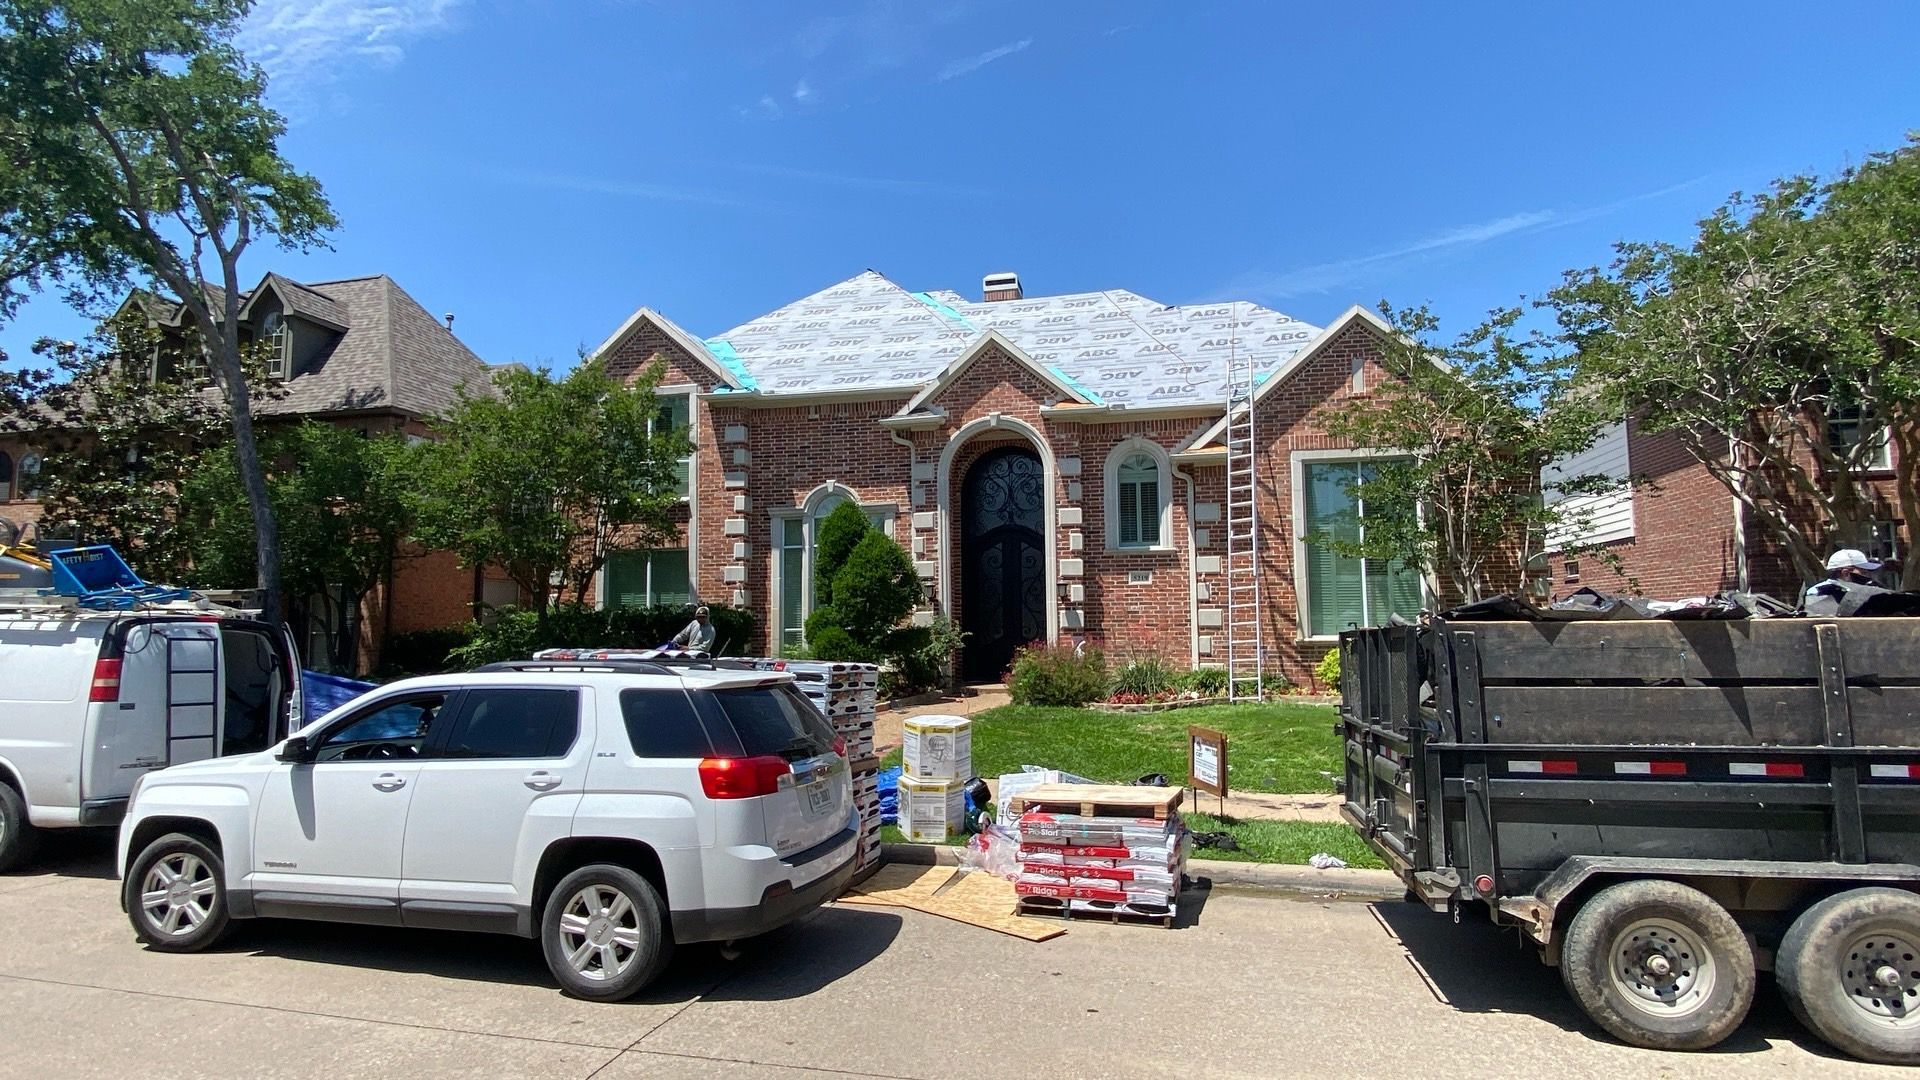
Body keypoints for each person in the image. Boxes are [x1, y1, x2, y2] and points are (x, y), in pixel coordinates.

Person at [1803, 549, 1889, 617]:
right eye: (1863, 573)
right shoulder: (1820, 592)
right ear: (1846, 573)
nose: (1868, 577)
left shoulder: (1863, 592)